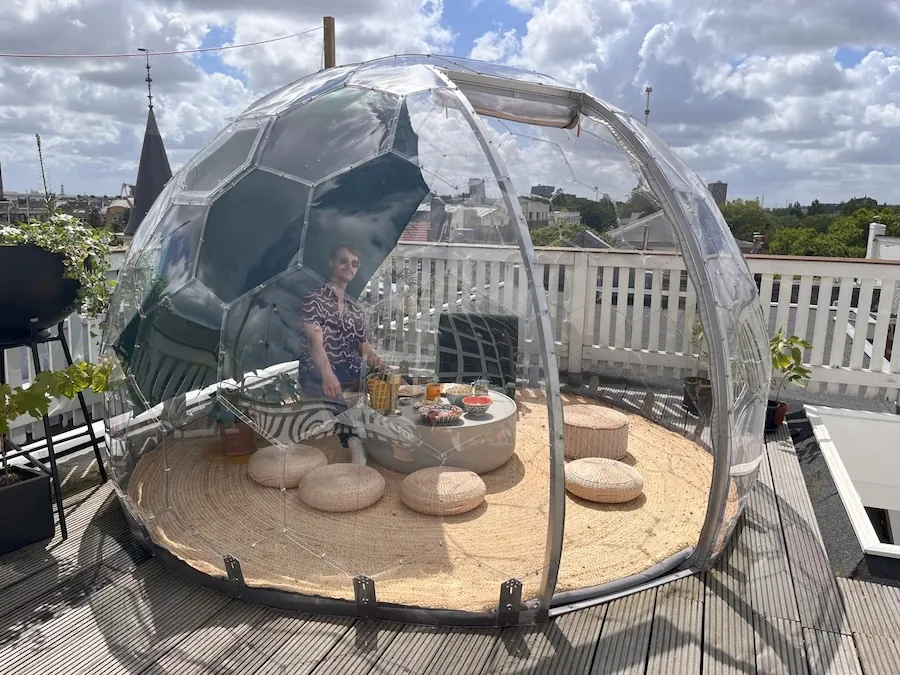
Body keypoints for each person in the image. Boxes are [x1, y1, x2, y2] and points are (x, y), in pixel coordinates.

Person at [297, 244, 389, 463]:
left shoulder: (352, 306)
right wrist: (328, 375)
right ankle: (351, 439)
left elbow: (361, 343)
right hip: (317, 367)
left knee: (392, 382)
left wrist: (386, 370)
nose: (349, 266)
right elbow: (314, 341)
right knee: (332, 388)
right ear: (331, 263)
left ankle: (384, 429)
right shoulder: (314, 299)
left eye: (354, 263)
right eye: (343, 261)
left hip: (350, 365)